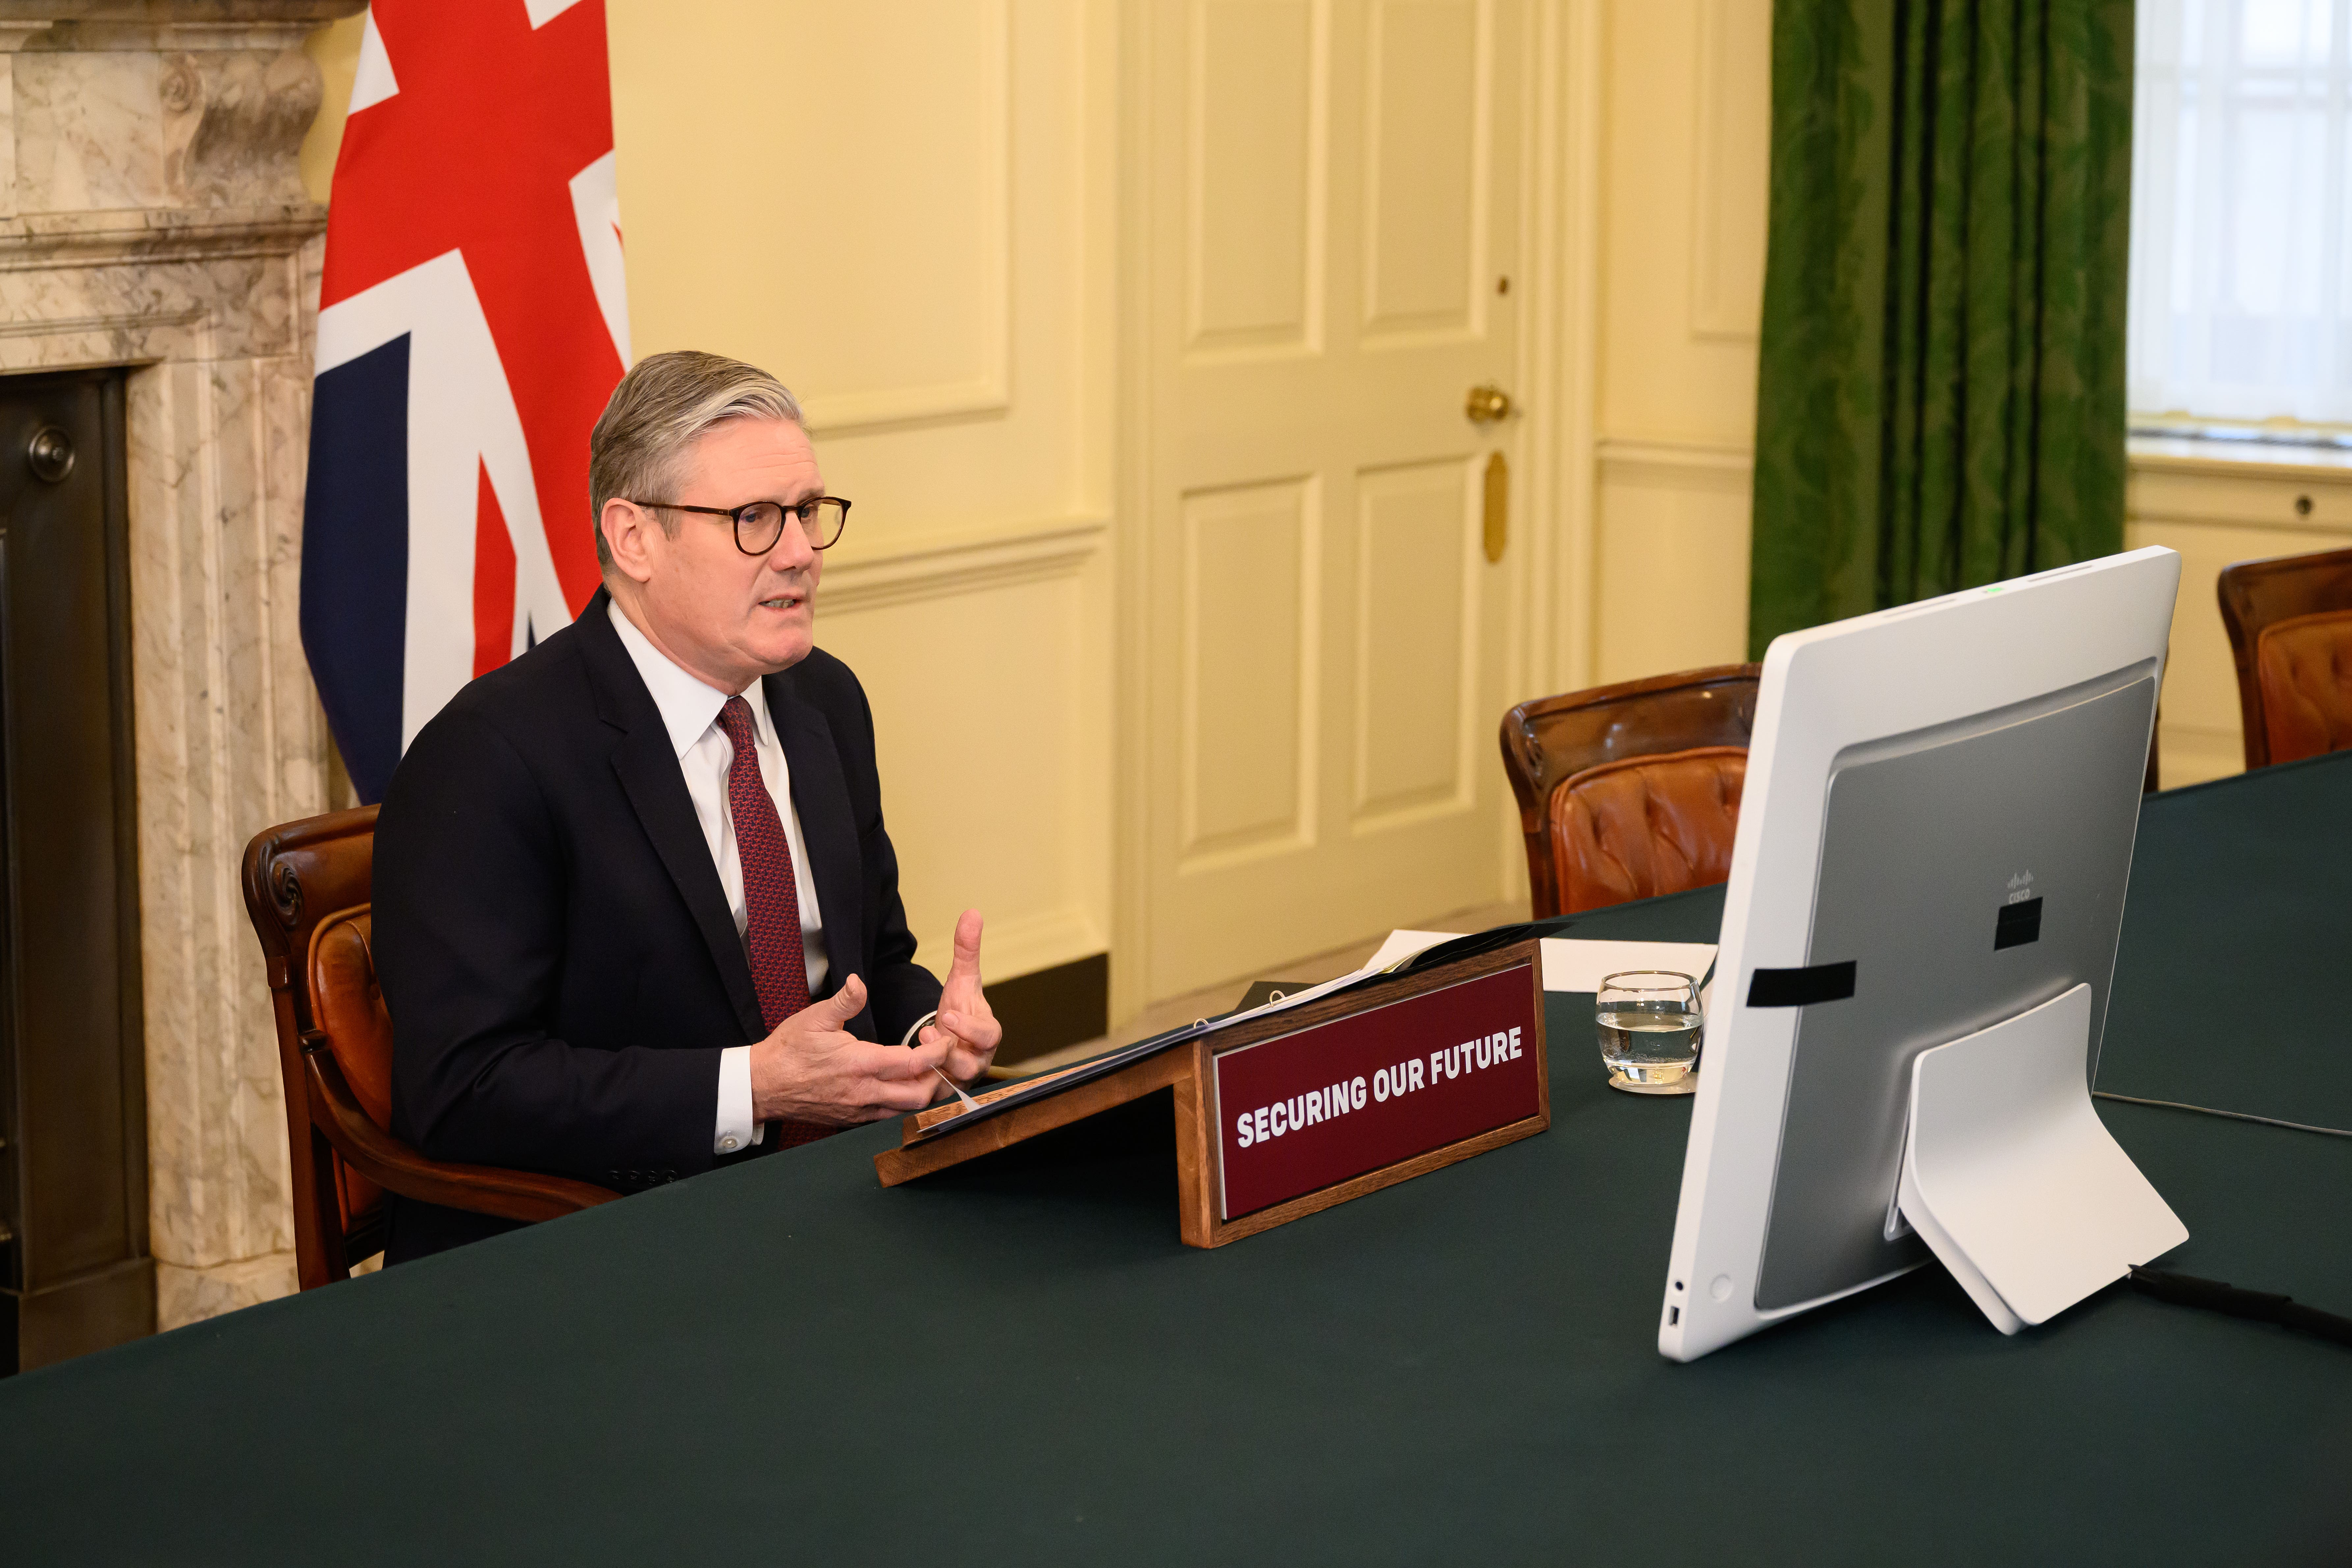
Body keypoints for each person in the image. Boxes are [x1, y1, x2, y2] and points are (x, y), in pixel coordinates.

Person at [372, 350, 1000, 1263]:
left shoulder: (825, 701)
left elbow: (873, 964)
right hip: (602, 1242)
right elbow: (464, 1087)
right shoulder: (491, 755)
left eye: (807, 512)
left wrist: (926, 1031)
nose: (798, 552)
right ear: (634, 539)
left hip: (835, 1206)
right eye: (753, 519)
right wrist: (756, 1088)